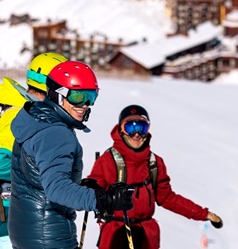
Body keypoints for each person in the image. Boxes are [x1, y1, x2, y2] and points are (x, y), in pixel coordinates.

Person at [8, 60, 135, 249]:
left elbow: (42, 177)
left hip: (27, 233)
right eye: (77, 96)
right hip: (49, 236)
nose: (84, 105)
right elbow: (57, 189)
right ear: (57, 94)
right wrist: (103, 200)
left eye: (91, 96)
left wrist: (84, 189)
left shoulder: (36, 120)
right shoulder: (57, 133)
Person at [84, 104, 223, 249]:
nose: (136, 134)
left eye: (141, 127)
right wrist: (91, 186)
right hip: (116, 234)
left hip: (146, 236)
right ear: (121, 130)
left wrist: (203, 214)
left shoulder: (154, 163)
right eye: (130, 127)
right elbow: (94, 190)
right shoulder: (108, 160)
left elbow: (167, 198)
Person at [0, 52, 67, 249]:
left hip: (27, 218)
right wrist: (34, 173)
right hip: (13, 220)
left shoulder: (33, 112)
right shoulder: (18, 114)